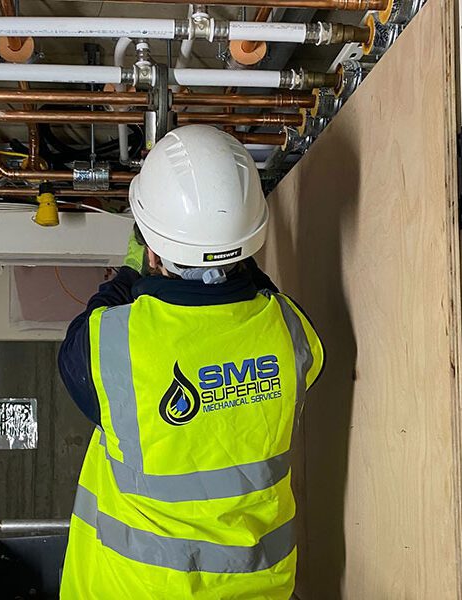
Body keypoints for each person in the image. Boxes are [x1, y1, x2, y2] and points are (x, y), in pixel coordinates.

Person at [58, 125, 324, 600]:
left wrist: (128, 275)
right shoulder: (292, 333)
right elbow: (259, 293)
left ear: (152, 251)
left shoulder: (108, 346)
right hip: (257, 584)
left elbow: (93, 321)